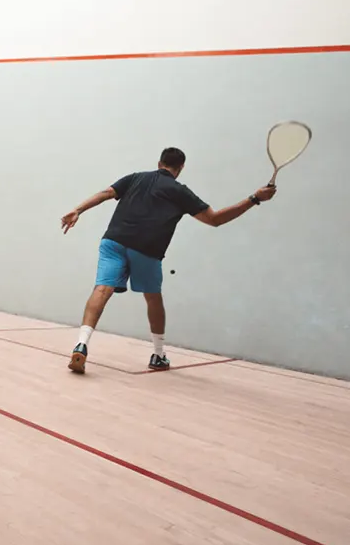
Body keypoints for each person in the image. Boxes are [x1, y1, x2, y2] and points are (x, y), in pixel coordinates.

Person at [59, 147, 275, 374]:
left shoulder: (135, 178)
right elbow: (215, 219)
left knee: (102, 289)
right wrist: (254, 199)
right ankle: (159, 355)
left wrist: (77, 210)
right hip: (146, 249)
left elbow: (105, 193)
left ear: (159, 162)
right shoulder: (179, 191)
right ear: (180, 168)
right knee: (153, 299)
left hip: (113, 242)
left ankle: (81, 343)